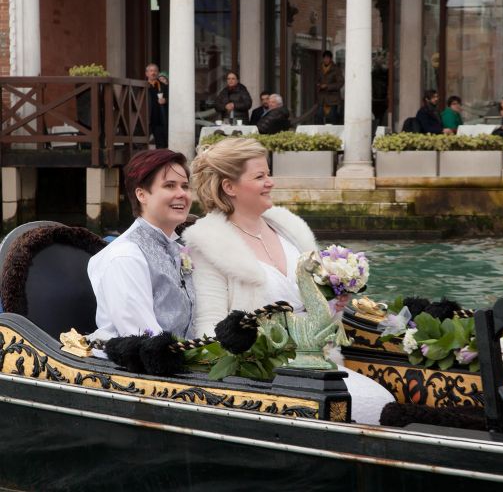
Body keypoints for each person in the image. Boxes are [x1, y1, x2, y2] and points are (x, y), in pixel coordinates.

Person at [184, 138, 395, 425]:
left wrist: (333, 304)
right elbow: (210, 330)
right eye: (260, 176)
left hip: (320, 362)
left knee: (381, 402)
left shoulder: (289, 230)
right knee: (372, 405)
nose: (270, 182)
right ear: (229, 187)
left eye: (268, 174)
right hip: (265, 378)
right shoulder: (208, 245)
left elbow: (315, 313)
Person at [88, 149, 195, 343]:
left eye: (185, 186)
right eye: (170, 186)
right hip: (141, 358)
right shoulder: (125, 256)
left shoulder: (181, 248)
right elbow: (144, 336)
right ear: (141, 194)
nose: (182, 194)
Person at [315, 50, 344, 125]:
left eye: (327, 58)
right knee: (319, 116)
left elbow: (340, 83)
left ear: (331, 59)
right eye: (324, 58)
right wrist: (318, 85)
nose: (326, 60)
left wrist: (328, 86)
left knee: (332, 119)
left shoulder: (336, 69)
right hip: (322, 99)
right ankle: (321, 132)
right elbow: (317, 80)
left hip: (332, 99)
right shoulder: (319, 68)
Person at [146, 63, 169, 148]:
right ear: (147, 73)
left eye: (155, 71)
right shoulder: (142, 86)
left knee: (161, 144)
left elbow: (171, 99)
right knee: (141, 143)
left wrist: (165, 100)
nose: (153, 73)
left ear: (158, 73)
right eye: (151, 71)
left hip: (159, 118)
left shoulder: (163, 86)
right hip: (145, 118)